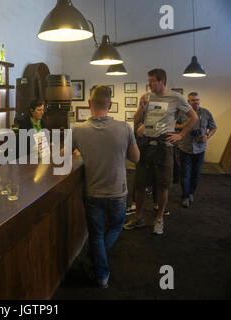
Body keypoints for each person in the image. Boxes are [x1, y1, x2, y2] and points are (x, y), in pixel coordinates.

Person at [72, 86, 140, 288]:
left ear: (90, 104)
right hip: (118, 191)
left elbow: (62, 156)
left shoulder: (77, 129)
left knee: (96, 234)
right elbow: (136, 158)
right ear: (110, 105)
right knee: (116, 226)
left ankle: (101, 274)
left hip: (92, 191)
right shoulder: (125, 128)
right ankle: (96, 258)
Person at [123, 68, 198, 235]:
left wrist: (180, 134)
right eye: (148, 81)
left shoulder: (175, 98)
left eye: (152, 81)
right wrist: (141, 107)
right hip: (145, 146)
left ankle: (159, 219)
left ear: (162, 81)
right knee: (139, 184)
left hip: (164, 148)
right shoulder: (147, 97)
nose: (149, 84)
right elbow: (136, 121)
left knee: (163, 185)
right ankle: (138, 217)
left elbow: (194, 117)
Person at [176, 92, 217, 207]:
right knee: (185, 174)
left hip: (200, 148)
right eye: (193, 100)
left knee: (196, 174)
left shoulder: (206, 113)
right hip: (185, 147)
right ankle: (184, 196)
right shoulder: (181, 112)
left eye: (198, 100)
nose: (196, 102)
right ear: (188, 102)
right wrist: (184, 125)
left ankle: (191, 193)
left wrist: (207, 136)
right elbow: (174, 125)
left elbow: (213, 127)